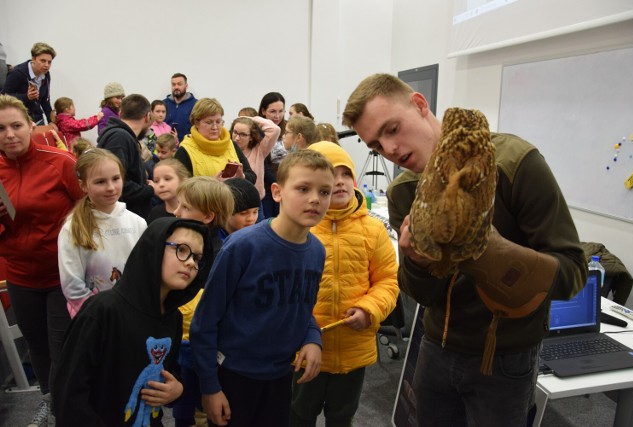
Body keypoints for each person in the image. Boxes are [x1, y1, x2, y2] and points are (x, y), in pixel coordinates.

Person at [341, 73, 587, 426]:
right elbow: (424, 294)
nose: (390, 149)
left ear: (420, 105)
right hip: (435, 346)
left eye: (392, 129)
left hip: (504, 357)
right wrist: (416, 262)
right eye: (376, 146)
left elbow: (572, 272)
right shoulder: (403, 192)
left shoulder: (514, 163)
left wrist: (488, 252)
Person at [190, 150, 335, 427]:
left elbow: (302, 307)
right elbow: (204, 322)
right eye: (303, 189)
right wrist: (209, 387)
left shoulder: (316, 251)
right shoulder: (242, 247)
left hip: (280, 375)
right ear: (277, 192)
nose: (316, 199)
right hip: (234, 376)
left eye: (324, 192)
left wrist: (312, 337)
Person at [53, 217, 214, 426]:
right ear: (153, 250)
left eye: (197, 257)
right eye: (182, 250)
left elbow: (165, 373)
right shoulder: (103, 311)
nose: (191, 262)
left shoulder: (173, 318)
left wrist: (177, 390)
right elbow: (68, 395)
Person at [290, 141, 400, 426]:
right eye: (330, 175)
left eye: (345, 174)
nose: (339, 182)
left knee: (342, 417)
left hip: (353, 349)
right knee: (298, 415)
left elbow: (388, 280)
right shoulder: (298, 226)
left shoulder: (373, 229)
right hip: (303, 348)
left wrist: (369, 309)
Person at [0, 94, 83, 426]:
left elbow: (88, 206)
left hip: (62, 273)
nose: (9, 134)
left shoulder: (59, 161)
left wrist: (70, 231)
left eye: (16, 125)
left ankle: (70, 408)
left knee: (62, 345)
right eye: (1, 128)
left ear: (30, 125)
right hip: (20, 274)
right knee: (36, 343)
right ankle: (50, 401)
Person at [171, 176, 234, 427]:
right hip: (181, 344)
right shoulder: (180, 244)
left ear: (208, 216)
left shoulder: (218, 256)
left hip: (203, 350)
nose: (176, 212)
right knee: (184, 410)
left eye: (185, 207)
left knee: (199, 410)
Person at [58, 148, 147, 318]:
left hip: (136, 313)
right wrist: (102, 315)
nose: (111, 188)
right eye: (100, 182)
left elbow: (146, 270)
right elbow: (72, 286)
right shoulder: (73, 228)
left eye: (115, 179)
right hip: (96, 319)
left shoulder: (137, 223)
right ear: (83, 185)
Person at [98, 94, 155, 218]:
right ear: (147, 117)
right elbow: (117, 185)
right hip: (123, 220)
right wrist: (149, 190)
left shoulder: (122, 137)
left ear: (120, 113)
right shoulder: (119, 138)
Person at [174, 98, 256, 184]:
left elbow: (252, 176)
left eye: (218, 122)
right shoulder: (185, 151)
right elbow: (181, 188)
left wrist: (242, 176)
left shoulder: (231, 145)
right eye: (209, 122)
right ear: (196, 123)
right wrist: (213, 184)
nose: (215, 127)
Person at [229, 115, 280, 220]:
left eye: (243, 134)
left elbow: (275, 129)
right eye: (235, 132)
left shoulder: (259, 149)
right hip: (231, 203)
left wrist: (249, 119)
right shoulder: (227, 148)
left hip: (255, 204)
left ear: (251, 137)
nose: (237, 138)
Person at [2, 42, 56, 125]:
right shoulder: (17, 73)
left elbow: (45, 101)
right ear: (33, 59)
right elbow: (4, 96)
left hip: (38, 119)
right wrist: (26, 97)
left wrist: (51, 122)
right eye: (43, 61)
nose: (46, 65)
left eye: (49, 62)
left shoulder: (46, 74)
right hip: (19, 120)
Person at [258, 92, 288, 219]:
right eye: (273, 111)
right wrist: (279, 183)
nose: (277, 116)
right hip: (268, 187)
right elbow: (261, 164)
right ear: (263, 111)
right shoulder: (258, 130)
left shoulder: (288, 128)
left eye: (281, 111)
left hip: (287, 184)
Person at [147, 158, 191, 224]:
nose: (161, 184)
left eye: (167, 179)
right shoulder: (154, 214)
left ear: (183, 181)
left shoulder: (194, 213)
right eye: (156, 181)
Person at [165, 73, 198, 141]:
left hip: (188, 146)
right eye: (173, 84)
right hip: (166, 148)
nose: (176, 87)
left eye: (179, 84)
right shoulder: (163, 104)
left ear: (186, 86)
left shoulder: (196, 104)